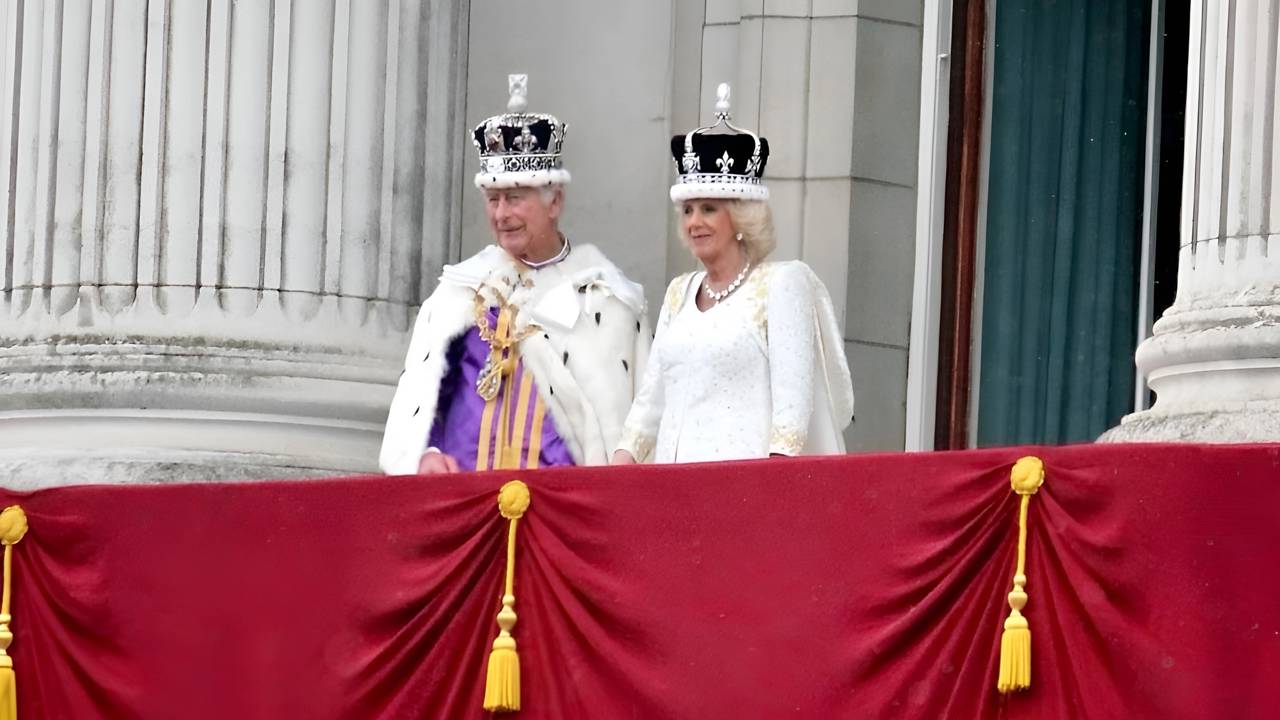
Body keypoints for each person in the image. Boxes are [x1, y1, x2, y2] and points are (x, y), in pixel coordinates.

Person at [380, 74, 650, 475]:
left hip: (558, 511)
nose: (501, 215)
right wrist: (427, 452)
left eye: (515, 199)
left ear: (554, 200)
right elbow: (427, 401)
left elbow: (629, 429)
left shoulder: (605, 300)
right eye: (493, 200)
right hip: (468, 506)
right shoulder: (460, 293)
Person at [612, 84, 853, 464]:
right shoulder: (679, 291)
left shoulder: (781, 284)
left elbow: (792, 414)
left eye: (708, 208)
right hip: (671, 492)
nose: (694, 222)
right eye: (688, 210)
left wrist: (769, 493)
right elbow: (651, 400)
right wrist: (619, 465)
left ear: (742, 216)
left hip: (741, 493)